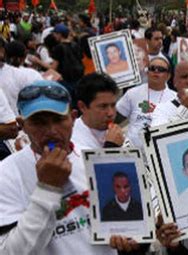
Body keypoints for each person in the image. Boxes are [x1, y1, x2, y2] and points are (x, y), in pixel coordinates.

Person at [0, 80, 115, 254]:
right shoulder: (6, 173)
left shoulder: (95, 158)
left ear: (73, 118)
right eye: (39, 122)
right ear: (22, 125)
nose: (51, 130)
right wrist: (47, 189)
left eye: (58, 119)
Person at [116, 56, 176, 148]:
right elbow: (115, 118)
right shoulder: (133, 93)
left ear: (168, 76)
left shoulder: (175, 99)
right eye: (152, 68)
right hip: (133, 151)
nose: (156, 71)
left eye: (161, 69)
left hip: (160, 151)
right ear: (147, 72)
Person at [72, 73, 124, 149]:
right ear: (82, 107)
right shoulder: (71, 139)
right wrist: (111, 147)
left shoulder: (119, 136)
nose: (111, 113)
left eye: (113, 105)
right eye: (103, 106)